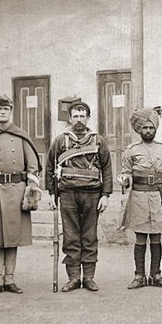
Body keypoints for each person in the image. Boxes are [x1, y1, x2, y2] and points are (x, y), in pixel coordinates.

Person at [0, 94, 42, 296]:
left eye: (6, 109)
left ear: (11, 112)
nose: (2, 112)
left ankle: (10, 279)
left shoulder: (21, 136)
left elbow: (33, 168)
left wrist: (31, 191)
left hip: (16, 192)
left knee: (12, 237)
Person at [46, 101, 112, 292]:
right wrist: (51, 193)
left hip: (92, 195)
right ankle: (74, 277)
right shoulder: (60, 141)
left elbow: (107, 168)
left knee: (89, 236)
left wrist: (106, 195)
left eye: (82, 116)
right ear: (70, 118)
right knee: (71, 236)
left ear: (88, 118)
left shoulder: (98, 140)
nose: (79, 120)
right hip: (67, 194)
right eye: (75, 116)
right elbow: (50, 167)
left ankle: (89, 277)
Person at [118, 107, 162, 289]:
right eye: (145, 128)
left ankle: (156, 275)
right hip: (139, 197)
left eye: (151, 127)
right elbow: (125, 173)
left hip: (158, 197)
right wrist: (124, 179)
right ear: (139, 130)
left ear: (155, 129)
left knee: (157, 237)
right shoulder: (131, 150)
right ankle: (139, 276)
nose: (148, 131)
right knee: (141, 238)